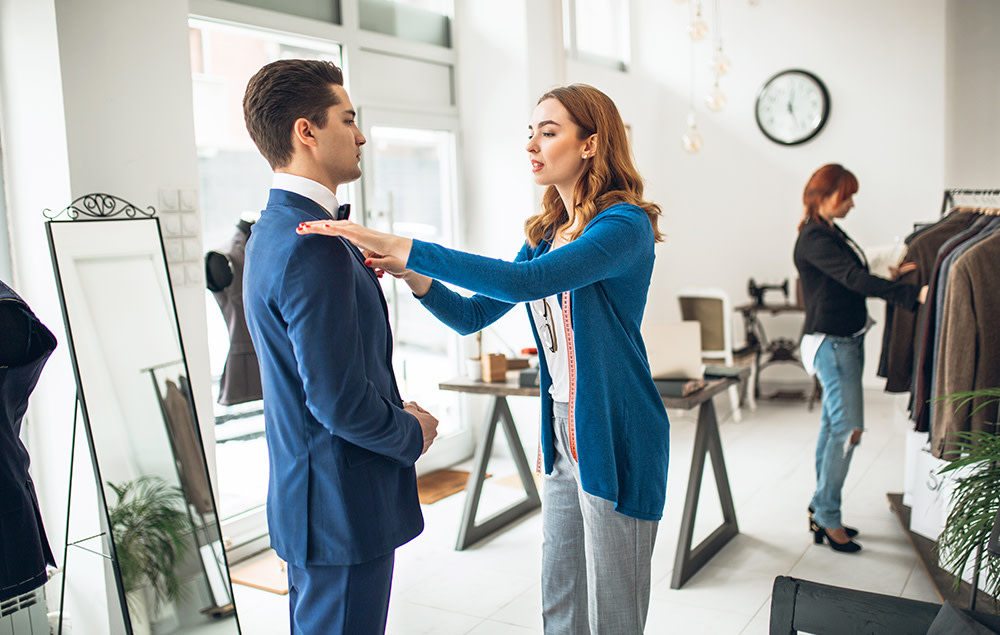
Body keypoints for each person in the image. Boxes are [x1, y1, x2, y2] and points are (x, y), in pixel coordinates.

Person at [299, 83, 670, 634]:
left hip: (618, 430)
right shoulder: (546, 234)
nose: (532, 145)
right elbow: (473, 315)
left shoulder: (623, 227)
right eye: (531, 133)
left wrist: (403, 243)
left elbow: (527, 283)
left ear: (590, 144)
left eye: (549, 132)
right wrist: (413, 275)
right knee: (561, 598)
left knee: (613, 613)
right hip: (562, 429)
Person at [240, 59, 439, 635]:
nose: (361, 136)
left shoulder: (275, 231)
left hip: (317, 503)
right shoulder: (312, 245)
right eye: (348, 120)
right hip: (340, 509)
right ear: (306, 131)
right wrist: (411, 432)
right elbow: (337, 401)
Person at [792, 164, 927, 553]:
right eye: (846, 196)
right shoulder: (814, 237)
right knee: (847, 430)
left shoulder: (828, 230)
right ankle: (827, 516)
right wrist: (910, 294)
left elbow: (850, 273)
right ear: (825, 194)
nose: (851, 204)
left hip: (843, 340)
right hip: (832, 344)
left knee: (833, 427)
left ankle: (821, 508)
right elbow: (852, 279)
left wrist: (890, 275)